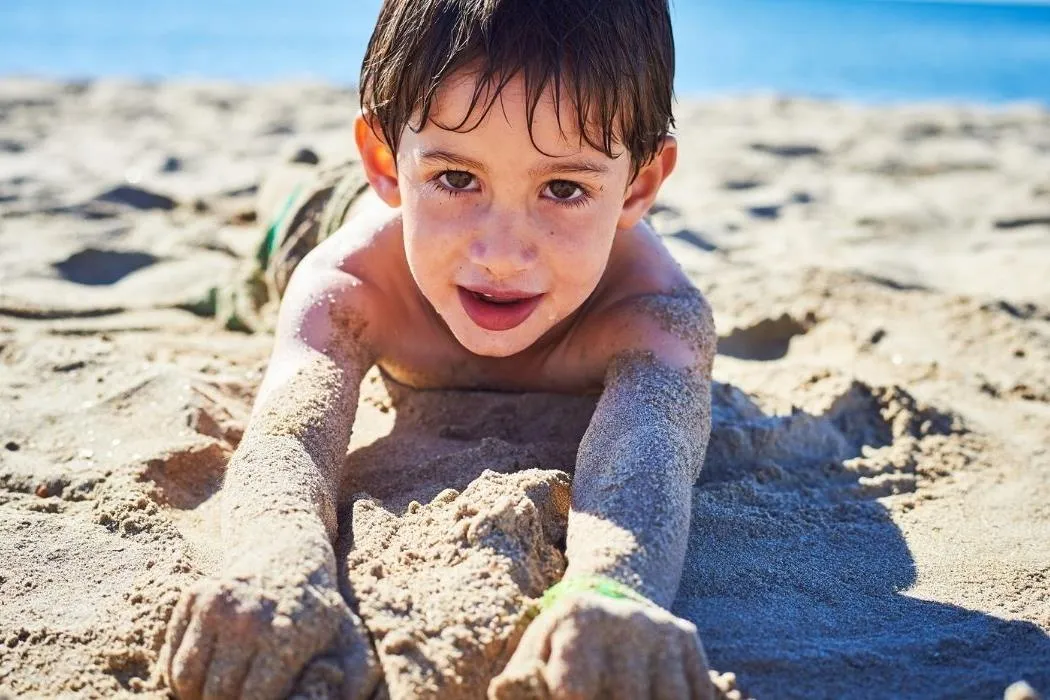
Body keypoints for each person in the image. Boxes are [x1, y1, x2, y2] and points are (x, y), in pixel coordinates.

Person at [159, 0, 717, 697]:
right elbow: (290, 436)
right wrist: (277, 561)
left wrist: (613, 589)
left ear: (638, 185)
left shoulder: (656, 316)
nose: (503, 256)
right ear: (387, 163)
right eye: (457, 179)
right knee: (283, 204)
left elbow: (653, 449)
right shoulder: (349, 284)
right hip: (317, 215)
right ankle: (299, 174)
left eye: (564, 188)